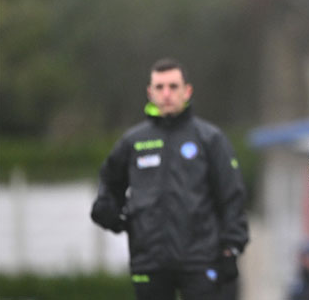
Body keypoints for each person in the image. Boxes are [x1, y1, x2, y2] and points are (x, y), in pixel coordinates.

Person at [90, 58, 249, 300]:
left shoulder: (210, 139)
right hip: (148, 260)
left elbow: (232, 196)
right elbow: (109, 183)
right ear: (150, 92)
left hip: (201, 260)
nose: (166, 94)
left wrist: (232, 247)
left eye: (173, 86)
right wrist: (109, 212)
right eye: (160, 87)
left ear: (187, 91)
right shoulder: (133, 142)